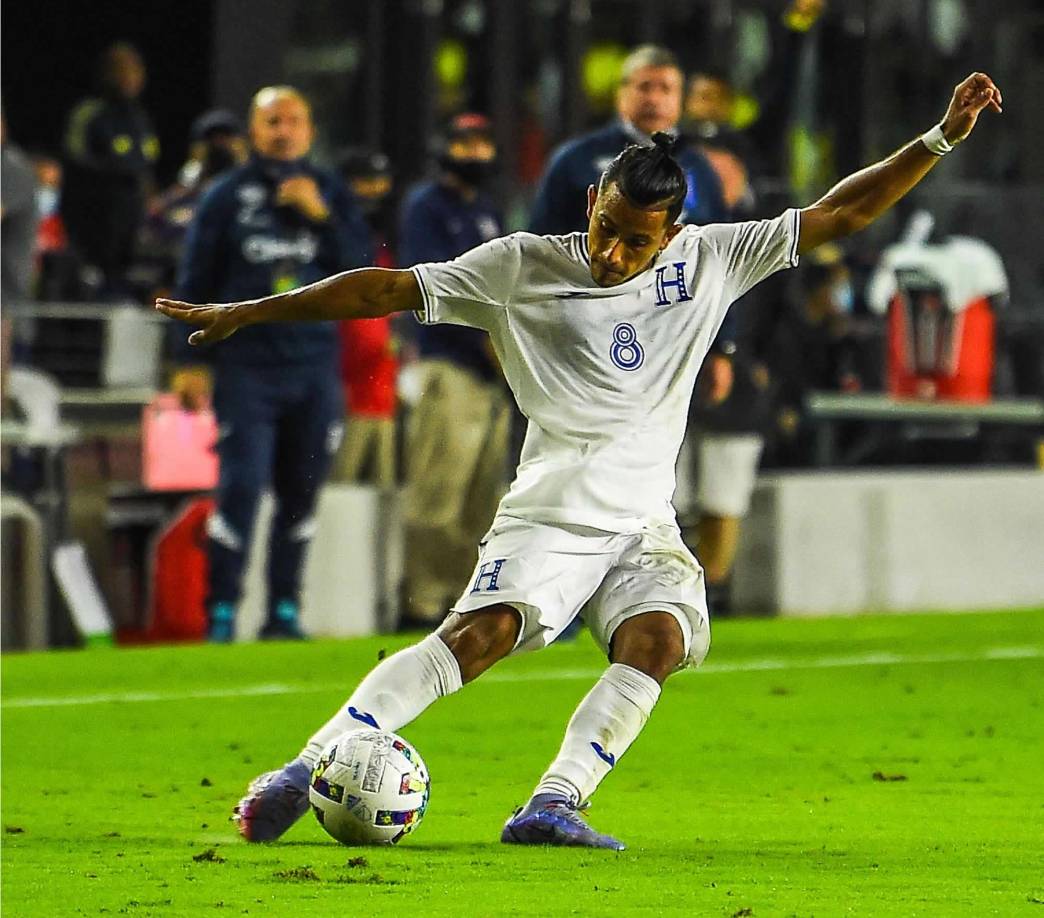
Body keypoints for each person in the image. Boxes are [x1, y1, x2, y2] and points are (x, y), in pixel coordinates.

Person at [159, 72, 1002, 848]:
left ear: (670, 232)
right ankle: (306, 768)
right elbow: (383, 289)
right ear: (591, 199)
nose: (614, 253)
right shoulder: (520, 265)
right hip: (556, 506)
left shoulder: (712, 259)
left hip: (643, 521)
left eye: (637, 241)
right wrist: (251, 310)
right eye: (605, 227)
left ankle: (553, 802)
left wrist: (937, 139)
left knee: (658, 641)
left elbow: (842, 213)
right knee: (478, 638)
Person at [168, 86, 373, 642]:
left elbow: (364, 273)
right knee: (240, 486)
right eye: (272, 121)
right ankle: (222, 610)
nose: (283, 131)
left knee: (301, 490)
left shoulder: (330, 191)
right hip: (247, 367)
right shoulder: (225, 197)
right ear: (254, 132)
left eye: (293, 121)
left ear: (309, 130)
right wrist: (185, 361)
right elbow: (195, 280)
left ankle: (284, 609)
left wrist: (322, 216)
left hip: (313, 366)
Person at [397, 113, 512, 627]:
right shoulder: (427, 207)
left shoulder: (486, 209)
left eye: (483, 142)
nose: (475, 153)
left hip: (491, 371)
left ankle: (465, 605)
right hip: (452, 366)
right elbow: (434, 289)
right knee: (438, 493)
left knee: (483, 499)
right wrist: (488, 340)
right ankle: (424, 602)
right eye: (464, 142)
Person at [529, 44, 728, 235]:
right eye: (644, 87)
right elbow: (540, 243)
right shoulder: (574, 159)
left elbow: (718, 242)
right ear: (621, 94)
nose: (654, 99)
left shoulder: (698, 164)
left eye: (666, 89)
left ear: (680, 100)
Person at [61, 43, 159, 296]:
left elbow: (146, 167)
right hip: (93, 222)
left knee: (124, 284)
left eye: (135, 70)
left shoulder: (140, 117)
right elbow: (75, 159)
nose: (130, 78)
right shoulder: (90, 113)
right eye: (122, 70)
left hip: (131, 224)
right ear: (107, 74)